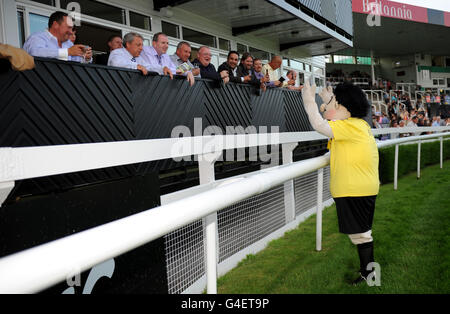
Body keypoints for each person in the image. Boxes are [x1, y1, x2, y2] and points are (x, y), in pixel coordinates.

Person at [302, 82, 379, 286]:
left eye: (335, 102)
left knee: (361, 234)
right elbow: (329, 114)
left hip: (356, 189)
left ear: (346, 107)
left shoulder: (349, 126)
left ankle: (371, 275)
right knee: (361, 234)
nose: (329, 106)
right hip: (359, 188)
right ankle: (369, 273)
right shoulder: (357, 124)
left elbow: (320, 124)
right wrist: (326, 100)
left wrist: (308, 100)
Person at [23, 11, 92, 63]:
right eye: (68, 27)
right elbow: (35, 53)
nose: (71, 32)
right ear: (55, 25)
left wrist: (85, 57)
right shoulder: (37, 37)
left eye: (71, 28)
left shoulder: (68, 44)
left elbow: (76, 61)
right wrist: (67, 52)